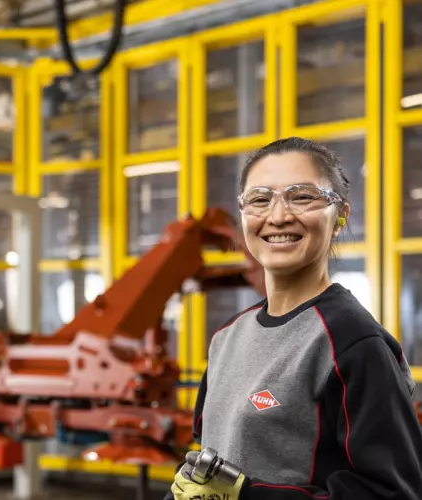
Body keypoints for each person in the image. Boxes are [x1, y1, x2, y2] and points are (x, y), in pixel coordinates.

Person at [168, 138, 422, 500]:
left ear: (340, 217)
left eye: (302, 196)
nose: (278, 215)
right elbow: (206, 460)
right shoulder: (227, 337)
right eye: (259, 199)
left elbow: (393, 493)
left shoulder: (353, 343)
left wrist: (247, 496)